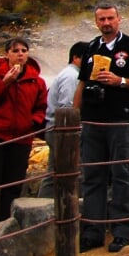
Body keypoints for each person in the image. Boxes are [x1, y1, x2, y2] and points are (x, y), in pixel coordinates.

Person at [74, 4, 129, 253]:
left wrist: (120, 81)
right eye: (101, 19)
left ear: (119, 19)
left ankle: (122, 231)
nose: (106, 23)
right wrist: (73, 117)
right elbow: (82, 84)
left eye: (110, 18)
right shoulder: (91, 48)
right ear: (96, 22)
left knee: (122, 175)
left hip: (121, 120)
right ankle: (93, 232)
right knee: (92, 177)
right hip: (92, 122)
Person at [0, 37, 47, 223]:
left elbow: (41, 106)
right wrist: (5, 82)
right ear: (7, 53)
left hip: (22, 138)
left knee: (13, 185)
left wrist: (33, 121)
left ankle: (5, 224)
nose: (20, 54)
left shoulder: (36, 81)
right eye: (15, 51)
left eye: (23, 50)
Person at [39, 41, 85, 198]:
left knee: (55, 170)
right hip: (63, 129)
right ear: (76, 58)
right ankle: (53, 205)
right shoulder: (71, 76)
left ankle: (45, 203)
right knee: (64, 170)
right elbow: (68, 105)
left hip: (57, 128)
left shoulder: (70, 74)